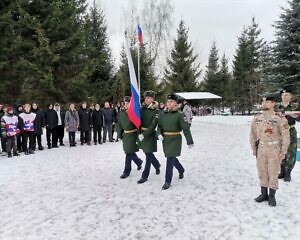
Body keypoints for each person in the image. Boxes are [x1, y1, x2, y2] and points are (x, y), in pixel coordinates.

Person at [250, 96, 290, 207]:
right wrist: (254, 148)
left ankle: (272, 196)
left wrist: (283, 151)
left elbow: (286, 136)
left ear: (273, 104)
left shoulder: (280, 118)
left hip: (274, 149)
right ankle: (263, 194)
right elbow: (252, 134)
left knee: (273, 173)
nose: (264, 104)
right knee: (262, 172)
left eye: (267, 102)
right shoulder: (257, 118)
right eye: (263, 102)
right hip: (261, 148)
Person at [157, 93, 194, 190]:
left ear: (176, 103)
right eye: (168, 101)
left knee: (170, 159)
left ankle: (167, 181)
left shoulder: (180, 115)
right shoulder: (163, 114)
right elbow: (159, 126)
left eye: (171, 101)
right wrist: (159, 134)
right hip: (165, 140)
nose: (168, 103)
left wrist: (189, 141)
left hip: (175, 140)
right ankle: (181, 169)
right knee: (172, 158)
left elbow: (186, 129)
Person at [137, 91, 161, 184]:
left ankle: (144, 176)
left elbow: (153, 125)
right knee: (148, 154)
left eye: (148, 98)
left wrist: (144, 134)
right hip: (141, 133)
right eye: (145, 98)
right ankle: (157, 165)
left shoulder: (156, 111)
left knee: (148, 155)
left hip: (150, 135)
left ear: (152, 99)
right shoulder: (142, 109)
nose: (146, 99)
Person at [116, 96, 143, 179]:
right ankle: (138, 162)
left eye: (128, 103)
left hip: (133, 135)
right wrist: (119, 135)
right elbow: (119, 124)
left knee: (128, 153)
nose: (126, 105)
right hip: (125, 135)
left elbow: (139, 125)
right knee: (129, 152)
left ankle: (126, 171)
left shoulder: (134, 113)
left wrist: (139, 135)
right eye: (125, 103)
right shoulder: (121, 113)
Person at [277, 88, 300, 182]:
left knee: (291, 152)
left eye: (286, 95)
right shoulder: (277, 106)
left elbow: (299, 118)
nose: (284, 97)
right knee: (280, 151)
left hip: (290, 131)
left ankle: (288, 172)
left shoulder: (295, 106)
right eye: (283, 95)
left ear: (290, 96)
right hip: (279, 132)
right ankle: (282, 171)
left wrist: (293, 115)